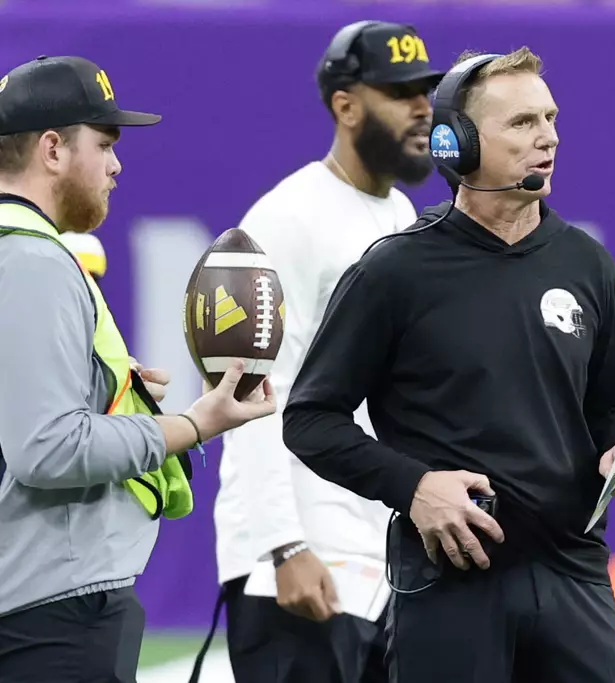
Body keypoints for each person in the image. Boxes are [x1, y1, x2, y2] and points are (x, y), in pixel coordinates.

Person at [281, 46, 615, 683]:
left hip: (573, 574)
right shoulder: (395, 271)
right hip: (452, 580)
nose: (548, 137)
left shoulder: (587, 265)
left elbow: (613, 407)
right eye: (522, 123)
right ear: (455, 142)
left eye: (550, 118)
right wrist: (413, 487)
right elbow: (310, 419)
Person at [0, 55, 276, 683]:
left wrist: (114, 394)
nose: (117, 165)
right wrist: (195, 422)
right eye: (104, 144)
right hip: (49, 613)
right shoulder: (32, 260)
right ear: (51, 149)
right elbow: (47, 450)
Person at [210, 20, 444, 683]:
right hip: (303, 563)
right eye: (400, 92)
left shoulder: (404, 220)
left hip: (380, 562)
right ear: (346, 105)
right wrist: (285, 546)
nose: (423, 108)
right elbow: (250, 395)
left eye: (426, 90)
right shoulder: (284, 219)